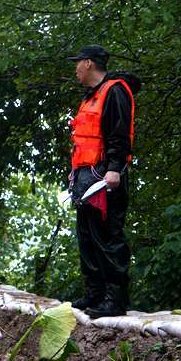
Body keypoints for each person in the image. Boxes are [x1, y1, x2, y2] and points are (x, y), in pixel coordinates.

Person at [66, 45, 140, 318]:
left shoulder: (115, 91)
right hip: (86, 178)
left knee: (109, 236)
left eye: (77, 63)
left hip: (106, 176)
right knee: (87, 236)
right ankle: (94, 293)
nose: (75, 69)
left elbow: (119, 133)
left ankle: (115, 299)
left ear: (88, 64)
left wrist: (115, 168)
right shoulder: (90, 97)